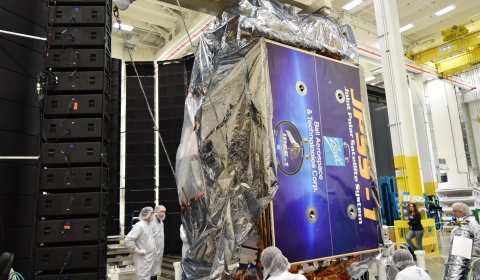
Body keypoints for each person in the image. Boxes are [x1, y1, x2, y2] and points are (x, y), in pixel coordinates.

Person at [125, 207, 156, 280]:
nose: (154, 215)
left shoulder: (148, 225)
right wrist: (137, 250)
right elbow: (128, 239)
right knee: (142, 277)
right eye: (152, 213)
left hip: (149, 257)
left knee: (147, 277)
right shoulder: (140, 225)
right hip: (142, 258)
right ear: (147, 215)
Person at [451, 202, 480, 280]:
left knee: (476, 272)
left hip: (471, 253)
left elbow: (478, 238)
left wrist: (474, 251)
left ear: (462, 211)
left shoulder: (472, 222)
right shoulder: (461, 221)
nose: (453, 213)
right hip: (461, 253)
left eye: (455, 211)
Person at [150, 205, 166, 280]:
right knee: (150, 270)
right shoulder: (151, 222)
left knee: (156, 269)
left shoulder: (161, 222)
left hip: (159, 249)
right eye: (161, 212)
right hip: (152, 250)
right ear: (156, 212)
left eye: (164, 212)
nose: (163, 213)